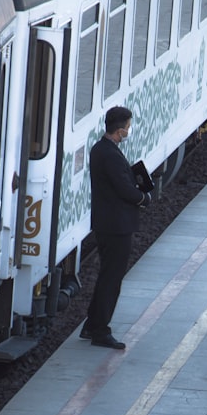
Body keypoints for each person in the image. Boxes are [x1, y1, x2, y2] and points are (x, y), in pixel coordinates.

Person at [81, 106, 151, 349]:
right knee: (112, 277)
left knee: (106, 275)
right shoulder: (110, 154)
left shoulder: (100, 148)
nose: (129, 131)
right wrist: (143, 198)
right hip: (116, 225)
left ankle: (91, 324)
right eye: (128, 128)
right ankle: (100, 330)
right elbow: (123, 188)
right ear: (120, 130)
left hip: (106, 223)